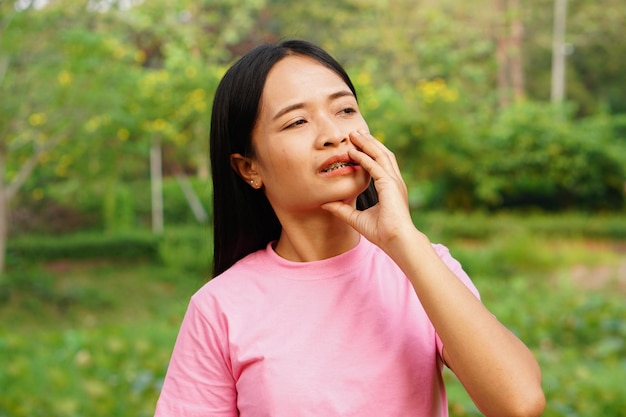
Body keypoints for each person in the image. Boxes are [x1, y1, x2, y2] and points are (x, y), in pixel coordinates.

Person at [154, 39, 545, 417]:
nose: (333, 135)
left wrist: (402, 239)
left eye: (344, 110)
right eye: (297, 121)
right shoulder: (220, 308)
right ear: (249, 168)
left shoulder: (422, 267)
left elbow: (519, 403)